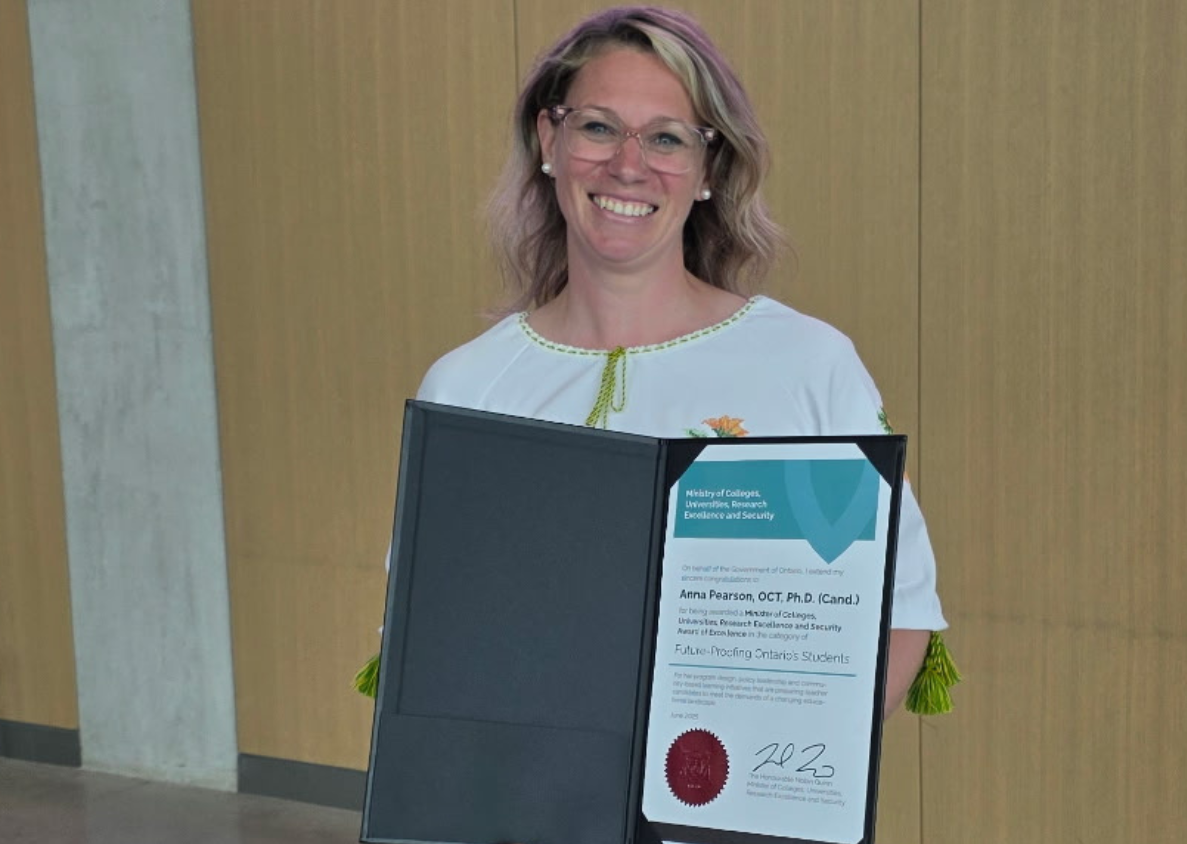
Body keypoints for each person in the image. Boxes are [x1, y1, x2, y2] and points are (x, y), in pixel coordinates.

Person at [359, 5, 954, 717]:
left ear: (708, 169)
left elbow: (899, 613)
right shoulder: (466, 386)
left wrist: (781, 775)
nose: (627, 165)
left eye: (666, 138)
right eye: (598, 127)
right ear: (550, 139)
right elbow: (426, 636)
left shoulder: (808, 365)